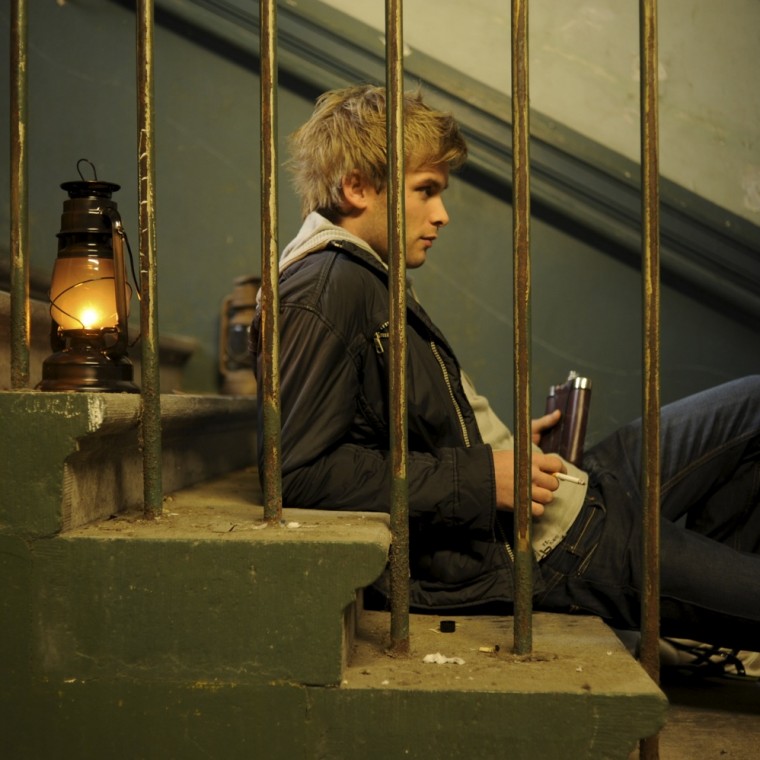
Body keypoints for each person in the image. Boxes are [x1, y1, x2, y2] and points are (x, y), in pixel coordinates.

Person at [250, 84, 760, 652]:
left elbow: (381, 426)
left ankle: (706, 606)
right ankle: (708, 602)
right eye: (426, 191)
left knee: (753, 403)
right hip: (550, 544)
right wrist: (481, 477)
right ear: (357, 187)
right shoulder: (325, 288)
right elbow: (295, 473)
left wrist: (495, 445)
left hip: (554, 489)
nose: (442, 215)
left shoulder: (360, 274)